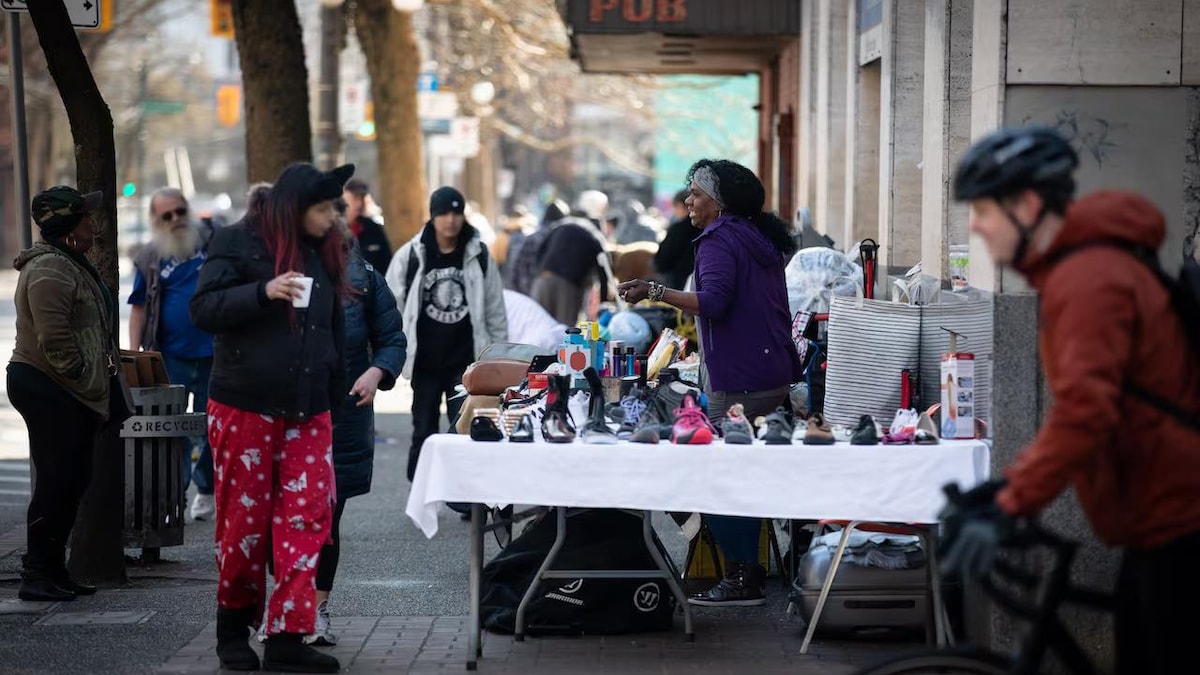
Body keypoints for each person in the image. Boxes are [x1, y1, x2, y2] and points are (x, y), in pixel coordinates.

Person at [945, 126, 1200, 675]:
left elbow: (1086, 411)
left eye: (984, 209)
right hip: (1160, 516)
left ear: (1028, 207)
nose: (975, 226)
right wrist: (1010, 489)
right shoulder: (1088, 266)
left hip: (1180, 518)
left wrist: (1015, 501)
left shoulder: (1088, 278)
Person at [189, 163, 354, 674]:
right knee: (244, 525)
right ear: (294, 208)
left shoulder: (324, 250)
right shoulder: (236, 242)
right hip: (245, 406)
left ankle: (287, 637)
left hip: (309, 410)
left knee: (307, 522)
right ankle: (233, 631)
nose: (332, 218)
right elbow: (203, 309)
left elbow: (330, 331)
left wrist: (334, 397)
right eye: (324, 208)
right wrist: (262, 292)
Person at [619, 159, 801, 606]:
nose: (688, 200)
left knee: (713, 478)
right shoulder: (755, 236)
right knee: (736, 473)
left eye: (696, 193)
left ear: (719, 202)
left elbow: (715, 302)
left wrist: (653, 291)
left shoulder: (719, 239)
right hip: (769, 372)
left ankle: (744, 577)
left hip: (739, 380)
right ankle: (746, 571)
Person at [307, 204, 407, 647]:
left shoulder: (362, 275)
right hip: (291, 413)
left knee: (328, 517)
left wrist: (377, 371)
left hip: (344, 414)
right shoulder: (280, 269)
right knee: (288, 517)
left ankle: (316, 610)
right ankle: (284, 605)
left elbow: (392, 338)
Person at [8, 186, 112, 602]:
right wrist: (84, 378)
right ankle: (37, 575)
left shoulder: (71, 262)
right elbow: (56, 341)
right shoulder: (50, 269)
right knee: (56, 481)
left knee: (71, 480)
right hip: (49, 386)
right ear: (69, 225)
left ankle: (54, 569)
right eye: (87, 217)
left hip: (66, 388)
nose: (94, 223)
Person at [385, 186, 507, 482]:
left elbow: (495, 309)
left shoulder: (478, 255)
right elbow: (390, 305)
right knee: (423, 430)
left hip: (465, 363)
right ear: (433, 216)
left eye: (456, 213)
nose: (450, 220)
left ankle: (466, 498)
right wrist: (392, 349)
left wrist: (497, 358)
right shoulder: (412, 254)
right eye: (443, 213)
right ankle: (421, 492)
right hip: (425, 362)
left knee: (465, 430)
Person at [129, 187, 216, 521]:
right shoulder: (150, 256)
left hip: (214, 355)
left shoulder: (211, 242)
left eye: (180, 211)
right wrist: (135, 353)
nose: (176, 219)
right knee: (172, 430)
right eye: (167, 215)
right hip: (170, 358)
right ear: (156, 220)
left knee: (212, 426)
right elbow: (138, 308)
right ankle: (174, 493)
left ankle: (205, 488)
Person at [530, 212, 615, 326]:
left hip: (543, 280)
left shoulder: (561, 226)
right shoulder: (594, 236)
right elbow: (604, 272)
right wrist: (603, 304)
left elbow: (539, 251)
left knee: (539, 324)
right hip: (568, 286)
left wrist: (538, 273)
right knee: (565, 331)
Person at [505, 199, 569, 295]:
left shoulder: (532, 238)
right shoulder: (564, 239)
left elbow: (515, 269)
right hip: (555, 296)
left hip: (527, 292)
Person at [342, 178, 393, 273]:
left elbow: (387, 263)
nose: (359, 204)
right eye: (354, 197)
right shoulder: (332, 229)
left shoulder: (374, 229)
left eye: (362, 198)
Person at [654, 189, 697, 290]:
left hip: (678, 287)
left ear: (680, 205)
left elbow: (661, 262)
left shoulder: (678, 229)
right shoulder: (709, 226)